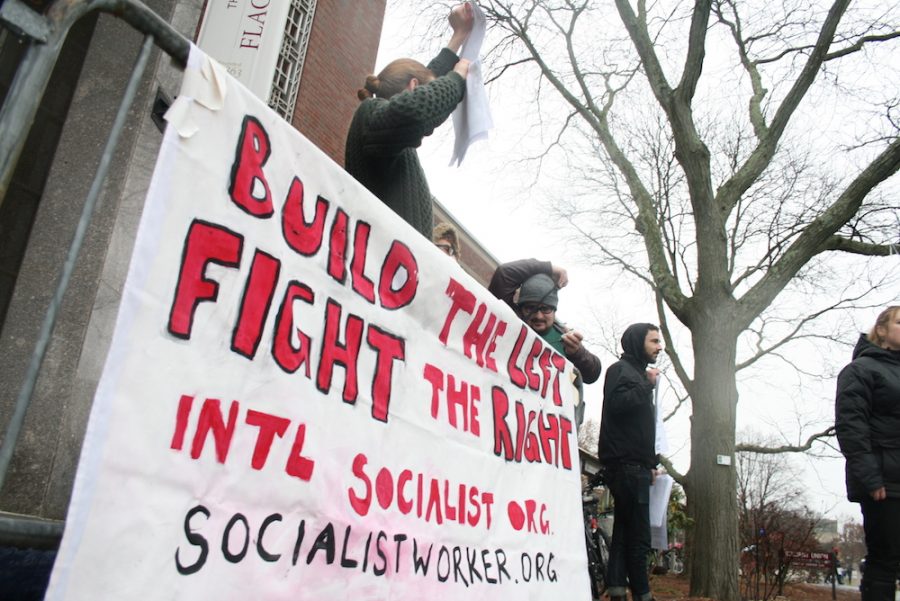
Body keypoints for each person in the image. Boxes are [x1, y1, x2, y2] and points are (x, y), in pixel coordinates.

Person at [344, 4, 473, 237]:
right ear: (413, 86)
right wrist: (457, 78)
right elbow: (417, 109)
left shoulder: (387, 131)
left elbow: (426, 92)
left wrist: (458, 37)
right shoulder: (370, 115)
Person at [835, 306, 900, 601]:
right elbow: (851, 427)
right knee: (885, 561)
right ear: (882, 331)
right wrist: (871, 479)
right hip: (884, 484)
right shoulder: (860, 371)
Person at [597, 323, 664, 601]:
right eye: (654, 341)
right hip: (626, 468)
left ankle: (617, 592)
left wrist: (651, 463)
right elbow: (618, 405)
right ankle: (643, 595)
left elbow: (640, 428)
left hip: (636, 467)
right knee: (638, 538)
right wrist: (646, 386)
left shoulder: (635, 372)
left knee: (625, 535)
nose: (660, 347)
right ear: (638, 342)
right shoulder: (621, 371)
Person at [487, 258, 602, 383]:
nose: (539, 316)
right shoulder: (511, 320)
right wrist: (548, 267)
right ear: (520, 308)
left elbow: (592, 374)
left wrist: (578, 353)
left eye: (545, 309)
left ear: (554, 310)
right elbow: (504, 273)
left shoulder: (565, 339)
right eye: (530, 308)